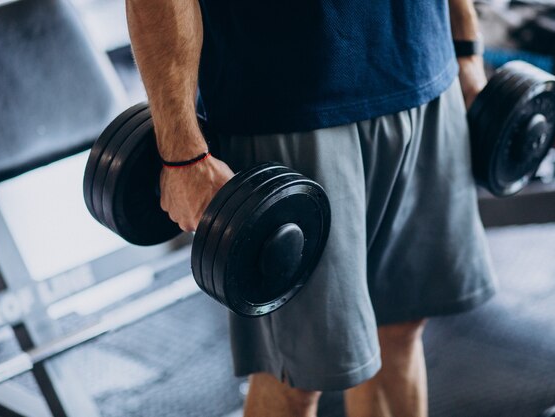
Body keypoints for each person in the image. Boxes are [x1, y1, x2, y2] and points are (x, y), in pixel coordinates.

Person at [125, 0, 496, 416]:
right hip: (289, 101)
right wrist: (182, 155)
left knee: (402, 328)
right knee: (297, 376)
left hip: (425, 68)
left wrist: (464, 45)